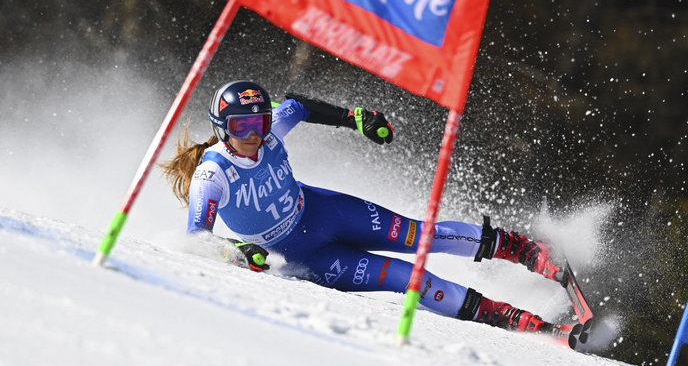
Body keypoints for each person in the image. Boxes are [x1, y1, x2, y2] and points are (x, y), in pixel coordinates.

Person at [160, 80, 567, 334]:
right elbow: (196, 239)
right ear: (221, 129)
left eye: (260, 124)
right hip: (308, 255)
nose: (254, 136)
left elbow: (298, 105)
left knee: (420, 236)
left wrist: (355, 118)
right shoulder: (212, 176)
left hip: (324, 211)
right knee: (412, 278)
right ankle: (506, 317)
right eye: (241, 128)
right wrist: (237, 251)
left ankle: (521, 249)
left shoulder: (269, 135)